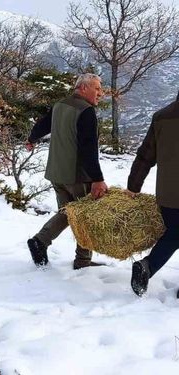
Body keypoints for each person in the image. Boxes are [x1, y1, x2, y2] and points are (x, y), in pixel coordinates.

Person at [26, 73, 109, 270]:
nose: (100, 93)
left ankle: (41, 241)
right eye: (96, 88)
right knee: (85, 216)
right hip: (77, 175)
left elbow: (43, 125)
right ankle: (83, 261)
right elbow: (88, 148)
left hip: (57, 172)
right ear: (83, 88)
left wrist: (31, 139)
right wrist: (97, 179)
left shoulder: (60, 104)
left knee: (68, 213)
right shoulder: (86, 111)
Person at [128, 93, 179, 296]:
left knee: (174, 234)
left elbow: (145, 155)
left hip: (168, 195)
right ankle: (147, 265)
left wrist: (133, 186)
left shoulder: (161, 116)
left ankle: (147, 267)